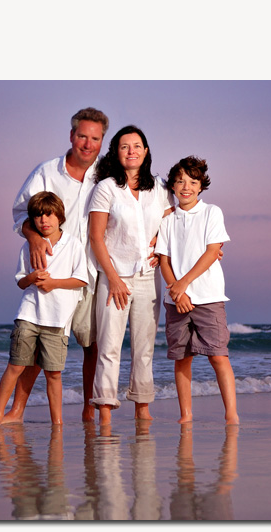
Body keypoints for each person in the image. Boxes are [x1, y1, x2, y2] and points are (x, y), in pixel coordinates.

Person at [10, 107, 109, 423]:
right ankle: (16, 411)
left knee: (91, 345)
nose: (88, 144)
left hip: (91, 272)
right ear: (72, 136)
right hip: (53, 274)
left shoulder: (108, 174)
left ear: (102, 141)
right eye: (83, 136)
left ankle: (88, 410)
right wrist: (34, 238)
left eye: (95, 138)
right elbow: (19, 214)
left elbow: (149, 194)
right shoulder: (46, 172)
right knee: (41, 345)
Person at [88, 125, 174, 426]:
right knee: (109, 345)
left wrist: (158, 243)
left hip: (149, 277)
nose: (132, 151)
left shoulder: (160, 188)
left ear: (146, 151)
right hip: (115, 277)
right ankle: (105, 409)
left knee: (144, 346)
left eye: (137, 145)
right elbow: (96, 237)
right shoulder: (106, 188)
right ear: (116, 152)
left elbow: (172, 227)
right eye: (125, 146)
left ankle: (142, 406)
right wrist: (112, 277)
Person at [0, 192, 88, 428]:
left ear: (60, 217)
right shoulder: (28, 247)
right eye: (38, 216)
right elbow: (20, 281)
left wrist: (54, 283)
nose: (44, 220)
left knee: (53, 374)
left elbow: (81, 279)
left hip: (58, 320)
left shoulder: (73, 245)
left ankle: (57, 423)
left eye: (49, 214)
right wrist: (32, 277)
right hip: (28, 315)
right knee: (15, 366)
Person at [155, 156, 239, 425]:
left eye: (192, 181)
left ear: (202, 185)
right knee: (182, 358)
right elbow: (163, 260)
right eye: (179, 181)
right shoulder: (167, 220)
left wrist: (183, 284)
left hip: (209, 297)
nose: (186, 187)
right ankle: (186, 415)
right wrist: (177, 292)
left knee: (218, 356)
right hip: (176, 300)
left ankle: (231, 414)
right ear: (172, 186)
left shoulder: (211, 212)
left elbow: (213, 251)